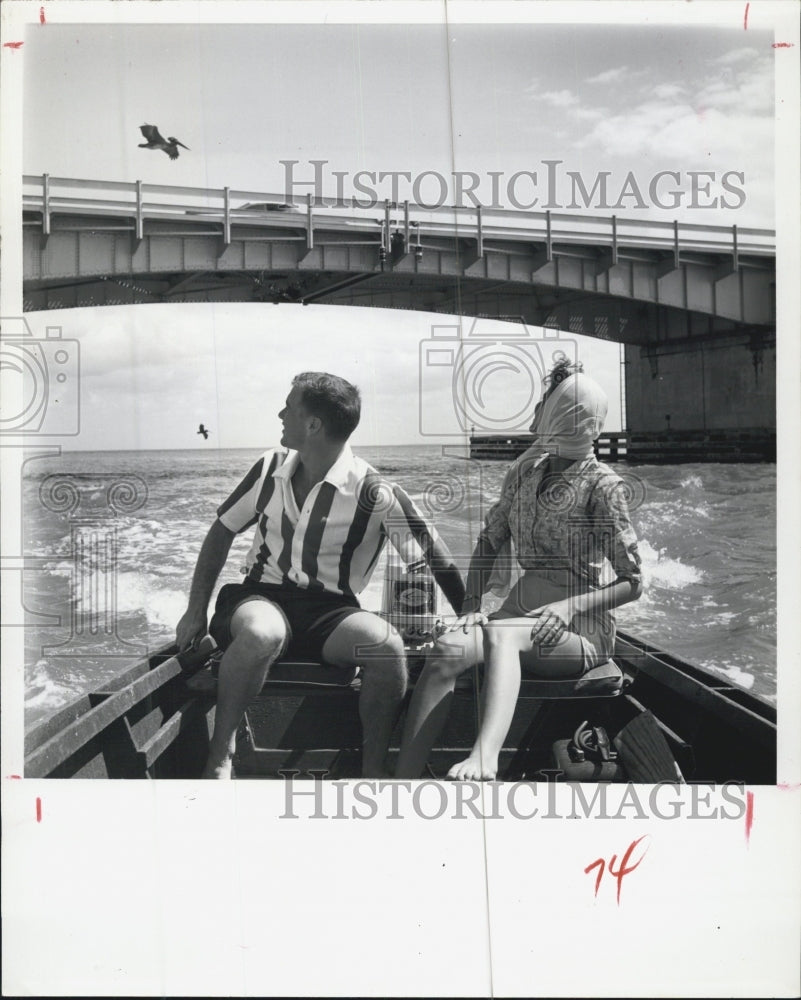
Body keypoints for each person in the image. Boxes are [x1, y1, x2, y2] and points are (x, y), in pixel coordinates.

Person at [177, 372, 465, 778]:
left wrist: (469, 615)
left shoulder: (374, 492)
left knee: (386, 648)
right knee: (263, 634)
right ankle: (220, 757)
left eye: (289, 408)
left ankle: (371, 768)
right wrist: (195, 611)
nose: (280, 414)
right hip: (259, 597)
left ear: (313, 425)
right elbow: (223, 529)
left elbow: (435, 556)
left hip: (331, 613)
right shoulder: (268, 469)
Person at [395, 362, 642, 780]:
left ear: (570, 410)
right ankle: (401, 779)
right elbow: (490, 540)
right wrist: (472, 604)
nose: (540, 409)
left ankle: (485, 758)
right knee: (447, 650)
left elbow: (633, 581)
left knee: (502, 635)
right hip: (517, 611)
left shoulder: (604, 486)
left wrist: (568, 608)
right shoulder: (527, 474)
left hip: (579, 628)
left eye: (548, 400)